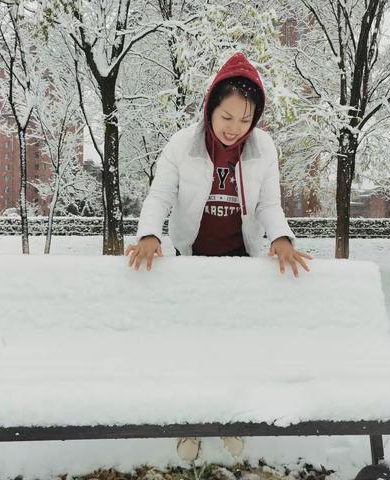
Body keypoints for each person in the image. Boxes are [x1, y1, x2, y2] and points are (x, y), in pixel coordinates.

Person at [125, 52, 312, 461]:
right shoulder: (181, 145)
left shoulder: (264, 149)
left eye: (245, 120)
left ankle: (230, 419)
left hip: (238, 264)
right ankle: (190, 425)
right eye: (227, 117)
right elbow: (159, 196)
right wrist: (150, 235)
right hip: (191, 264)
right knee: (190, 350)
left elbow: (269, 204)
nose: (235, 129)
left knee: (233, 350)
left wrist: (281, 236)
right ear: (211, 108)